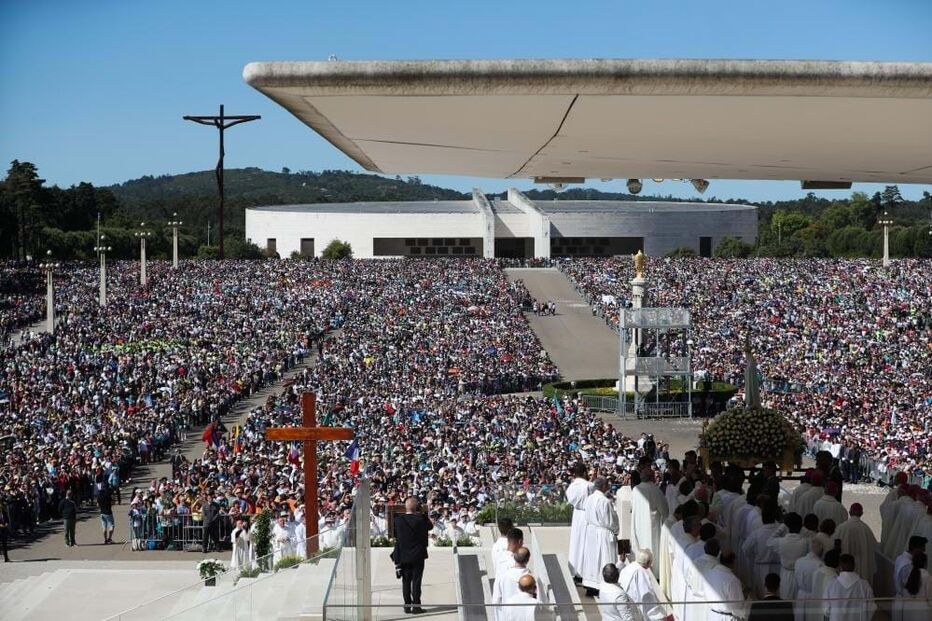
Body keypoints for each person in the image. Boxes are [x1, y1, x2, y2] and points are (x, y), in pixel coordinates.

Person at [392, 496, 432, 614]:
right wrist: (423, 514)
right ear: (417, 507)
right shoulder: (421, 520)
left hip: (403, 555)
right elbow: (430, 527)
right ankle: (416, 606)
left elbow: (395, 535)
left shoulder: (398, 520)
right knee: (416, 581)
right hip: (418, 555)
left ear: (406, 507)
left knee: (406, 581)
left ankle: (407, 605)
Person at [580, 477, 619, 594]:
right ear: (602, 486)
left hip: (591, 532)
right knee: (604, 558)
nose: (609, 486)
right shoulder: (605, 501)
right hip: (603, 533)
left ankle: (591, 585)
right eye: (607, 484)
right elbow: (611, 521)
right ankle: (602, 584)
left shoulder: (590, 498)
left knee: (592, 559)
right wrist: (616, 530)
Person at [631, 468, 669, 578]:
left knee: (640, 547)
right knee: (653, 549)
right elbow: (665, 510)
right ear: (652, 477)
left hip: (638, 525)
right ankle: (653, 574)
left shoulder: (635, 489)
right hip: (652, 527)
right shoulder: (655, 490)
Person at [618, 549, 670, 621]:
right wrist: (658, 617)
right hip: (634, 610)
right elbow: (646, 597)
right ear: (648, 562)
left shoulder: (628, 567)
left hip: (624, 608)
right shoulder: (641, 572)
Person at [823, 554, 876, 621]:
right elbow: (871, 608)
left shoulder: (831, 584)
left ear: (840, 567)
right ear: (854, 567)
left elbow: (826, 610)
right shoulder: (864, 585)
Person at [835, 503, 877, 583]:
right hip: (862, 569)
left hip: (845, 570)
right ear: (861, 514)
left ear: (850, 512)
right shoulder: (866, 529)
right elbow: (873, 548)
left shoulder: (842, 528)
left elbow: (835, 546)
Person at [566, 462, 593, 582]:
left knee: (577, 543)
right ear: (584, 473)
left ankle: (576, 571)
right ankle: (584, 571)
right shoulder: (588, 485)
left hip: (577, 515)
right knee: (586, 543)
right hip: (587, 515)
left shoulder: (571, 487)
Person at [705, 550, 746, 621]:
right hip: (726, 618)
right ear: (733, 562)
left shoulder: (709, 573)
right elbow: (737, 606)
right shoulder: (732, 580)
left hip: (712, 615)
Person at [493, 547, 531, 621]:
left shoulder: (503, 577)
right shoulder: (531, 578)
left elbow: (496, 600)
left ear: (514, 557)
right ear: (528, 560)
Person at [899, 552, 932, 621]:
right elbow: (930, 598)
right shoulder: (927, 577)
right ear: (925, 563)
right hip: (922, 613)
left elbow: (905, 593)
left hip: (909, 610)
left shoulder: (910, 575)